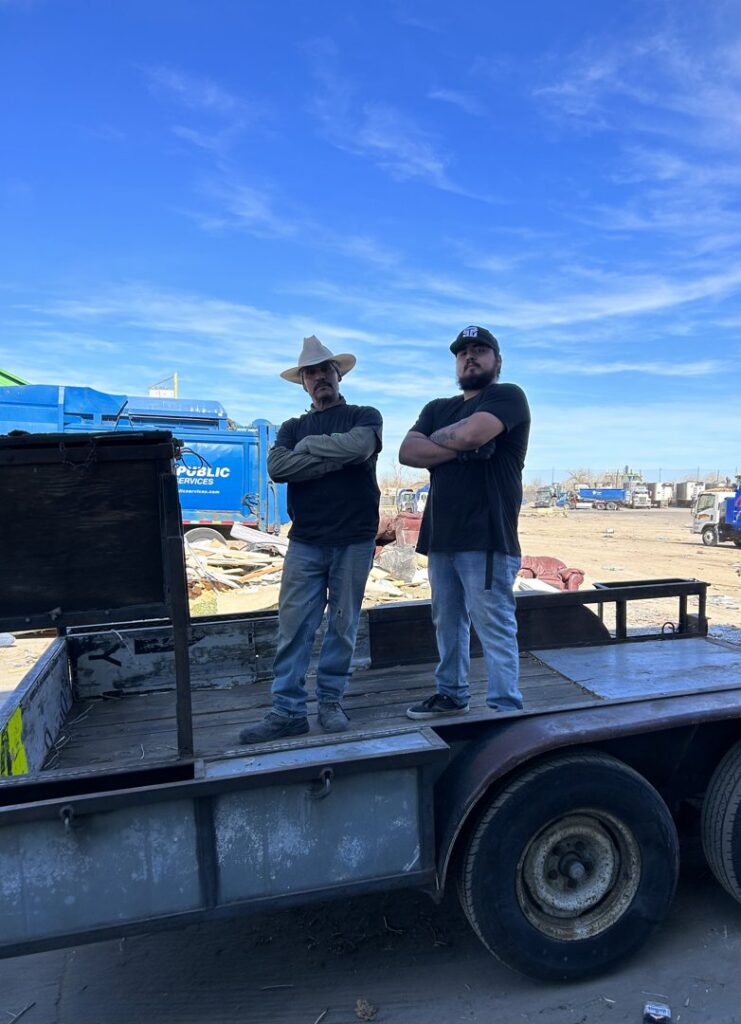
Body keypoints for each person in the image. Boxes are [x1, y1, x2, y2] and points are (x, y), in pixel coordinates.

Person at [239, 335, 382, 743]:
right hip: (306, 540)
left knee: (342, 624)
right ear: (303, 382)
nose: (320, 377)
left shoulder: (364, 415)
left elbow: (359, 447)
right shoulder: (291, 427)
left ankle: (331, 702)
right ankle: (287, 710)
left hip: (354, 539)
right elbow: (279, 466)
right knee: (294, 626)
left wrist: (310, 452)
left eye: (326, 370)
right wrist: (332, 460)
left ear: (339, 375)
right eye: (312, 372)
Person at [398, 325, 530, 719]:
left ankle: (505, 707)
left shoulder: (508, 396)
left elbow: (474, 433)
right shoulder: (438, 407)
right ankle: (451, 694)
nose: (470, 356)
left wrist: (442, 443)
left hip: (487, 535)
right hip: (442, 536)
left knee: (494, 623)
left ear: (497, 361)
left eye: (480, 350)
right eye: (462, 352)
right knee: (447, 621)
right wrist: (463, 449)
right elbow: (407, 451)